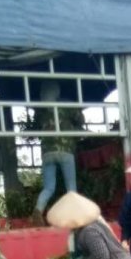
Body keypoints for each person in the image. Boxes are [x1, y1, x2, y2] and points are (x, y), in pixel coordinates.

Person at [32, 82, 84, 222]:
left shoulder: (41, 110)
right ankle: (74, 216)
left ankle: (38, 210)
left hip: (47, 152)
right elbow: (80, 118)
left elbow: (35, 127)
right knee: (71, 188)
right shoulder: (66, 104)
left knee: (49, 187)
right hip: (65, 150)